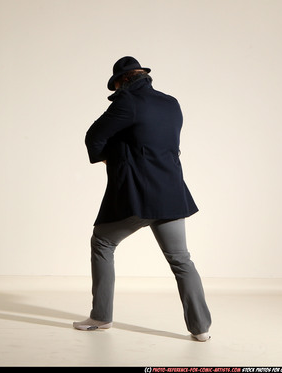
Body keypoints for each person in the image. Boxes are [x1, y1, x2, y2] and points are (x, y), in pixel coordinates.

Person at [73, 56, 212, 342]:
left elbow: (93, 137)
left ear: (123, 81)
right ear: (143, 76)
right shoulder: (172, 103)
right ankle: (201, 329)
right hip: (172, 194)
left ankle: (100, 317)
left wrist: (110, 159)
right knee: (181, 260)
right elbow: (155, 141)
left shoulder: (126, 102)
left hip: (138, 195)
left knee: (102, 242)